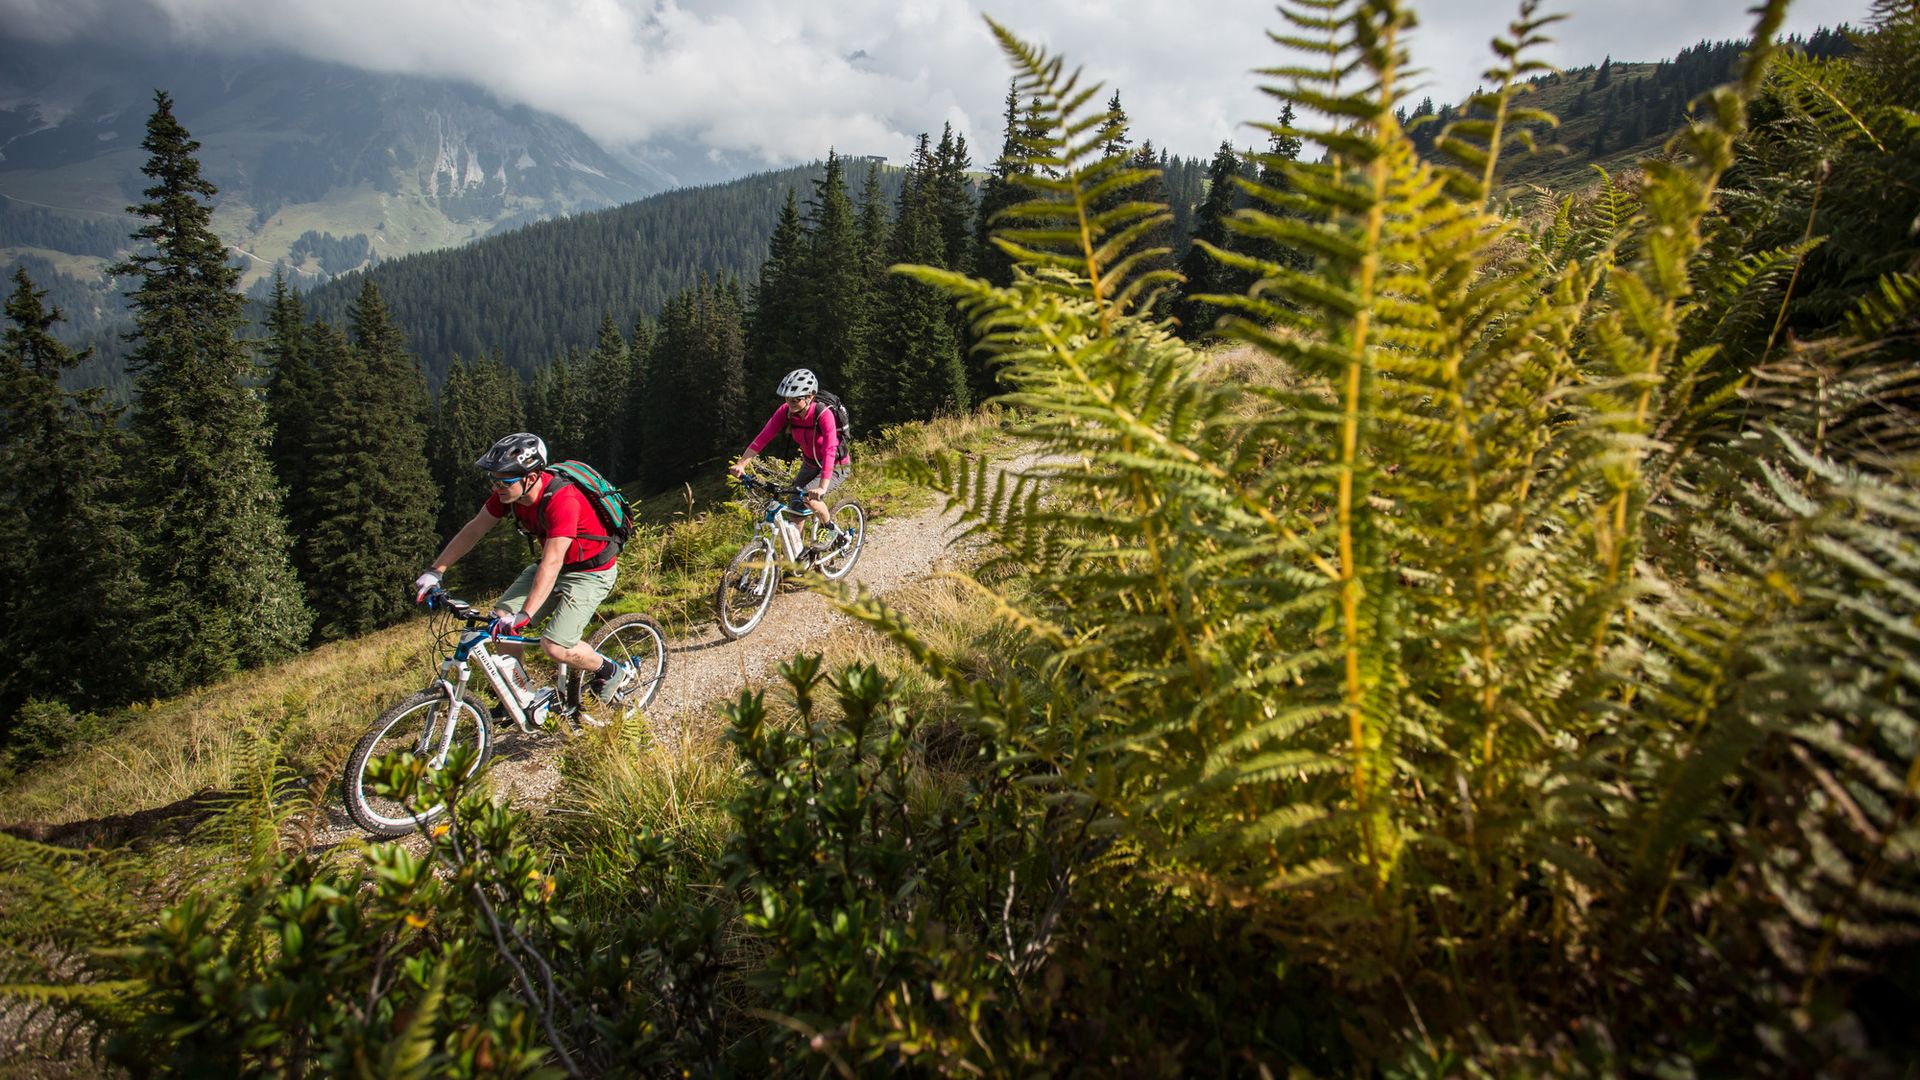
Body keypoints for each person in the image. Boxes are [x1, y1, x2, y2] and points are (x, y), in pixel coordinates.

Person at [412, 432, 635, 704]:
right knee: (499, 622)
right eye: (493, 480)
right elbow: (475, 529)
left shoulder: (563, 500)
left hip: (590, 573)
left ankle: (611, 670)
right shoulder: (509, 495)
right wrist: (436, 570)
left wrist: (526, 613)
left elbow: (552, 560)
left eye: (504, 481)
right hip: (554, 566)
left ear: (531, 478)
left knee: (555, 646)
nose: (497, 487)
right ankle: (523, 697)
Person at [728, 368, 848, 555]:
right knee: (795, 508)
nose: (790, 403)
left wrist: (822, 487)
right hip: (810, 464)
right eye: (787, 399)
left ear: (810, 396)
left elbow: (830, 450)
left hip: (836, 466)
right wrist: (742, 463)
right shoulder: (786, 412)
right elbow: (763, 437)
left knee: (809, 497)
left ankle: (830, 529)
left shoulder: (824, 414)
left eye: (796, 399)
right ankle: (798, 558)